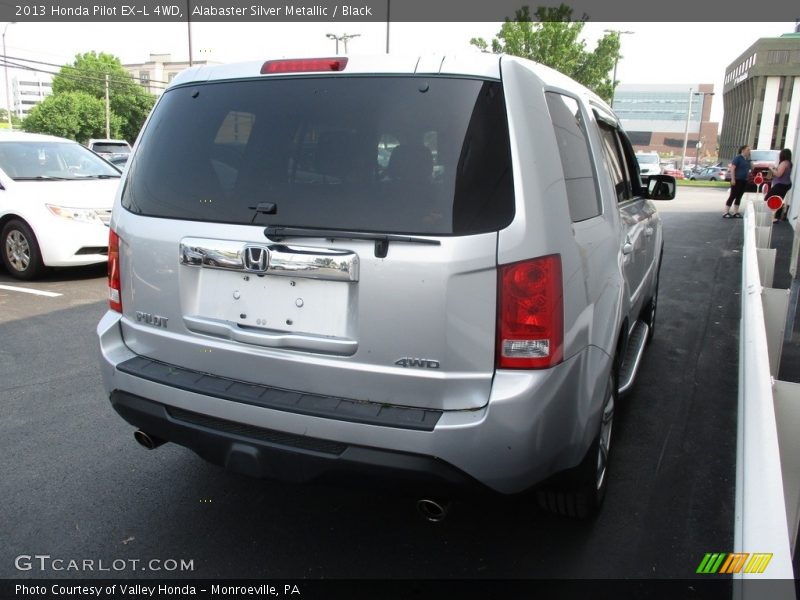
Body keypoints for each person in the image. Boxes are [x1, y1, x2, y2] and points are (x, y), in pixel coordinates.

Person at [723, 145, 751, 218]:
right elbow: (732, 168)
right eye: (748, 150)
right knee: (733, 195)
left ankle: (735, 212)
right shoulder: (738, 158)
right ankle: (726, 212)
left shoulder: (747, 160)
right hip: (737, 179)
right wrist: (733, 179)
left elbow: (750, 168)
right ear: (743, 150)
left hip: (744, 180)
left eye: (749, 150)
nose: (749, 151)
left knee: (739, 196)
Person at [769, 148, 793, 222]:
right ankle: (777, 216)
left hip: (780, 184)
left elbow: (779, 174)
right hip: (786, 184)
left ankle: (772, 216)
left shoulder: (784, 163)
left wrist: (771, 169)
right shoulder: (789, 163)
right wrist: (776, 168)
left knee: (768, 198)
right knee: (779, 199)